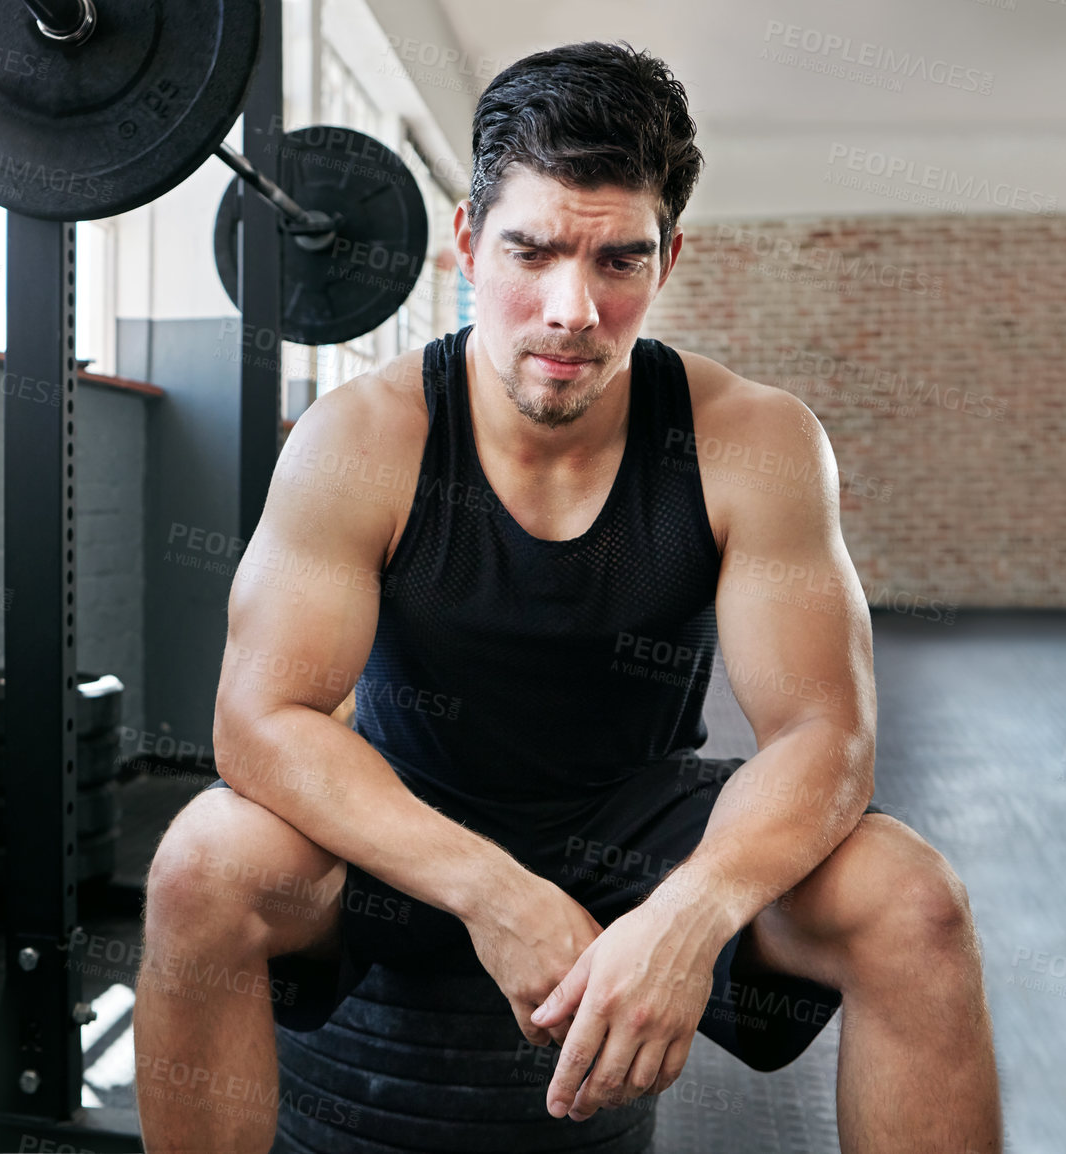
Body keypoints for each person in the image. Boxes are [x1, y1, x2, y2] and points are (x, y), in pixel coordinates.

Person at [134, 40, 1002, 1154]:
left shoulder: (755, 442)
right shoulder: (361, 439)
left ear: (669, 259)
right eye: (531, 250)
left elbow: (824, 733)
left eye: (617, 263)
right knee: (203, 863)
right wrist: (492, 890)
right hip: (408, 818)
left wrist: (690, 914)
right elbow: (258, 724)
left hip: (637, 821)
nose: (571, 308)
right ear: (464, 240)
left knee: (912, 902)